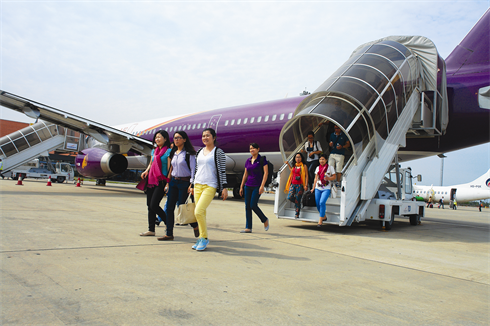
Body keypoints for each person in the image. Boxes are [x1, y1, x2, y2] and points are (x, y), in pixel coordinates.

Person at [190, 128, 228, 251]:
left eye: (207, 135)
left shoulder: (218, 152)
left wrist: (224, 187)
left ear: (214, 137)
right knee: (201, 213)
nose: (205, 138)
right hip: (197, 184)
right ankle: (201, 237)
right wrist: (192, 185)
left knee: (198, 211)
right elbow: (196, 169)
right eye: (203, 136)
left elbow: (222, 170)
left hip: (210, 185)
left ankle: (204, 238)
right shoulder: (200, 151)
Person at [158, 131, 199, 241]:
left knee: (182, 207)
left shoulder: (189, 154)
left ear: (184, 139)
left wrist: (192, 184)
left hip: (184, 183)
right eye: (175, 138)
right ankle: (169, 233)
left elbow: (193, 169)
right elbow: (172, 168)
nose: (176, 140)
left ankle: (195, 225)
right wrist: (168, 182)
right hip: (173, 182)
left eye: (179, 138)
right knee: (170, 208)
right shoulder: (173, 152)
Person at [139, 130, 171, 236]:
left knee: (154, 205)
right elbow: (151, 163)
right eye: (156, 137)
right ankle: (151, 230)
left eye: (159, 137)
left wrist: (167, 182)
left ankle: (168, 223)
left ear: (165, 139)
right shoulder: (154, 151)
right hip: (151, 180)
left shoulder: (168, 151)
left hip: (161, 180)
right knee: (149, 205)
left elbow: (170, 168)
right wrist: (146, 171)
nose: (157, 139)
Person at [239, 143, 270, 233]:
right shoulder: (248, 160)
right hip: (248, 186)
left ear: (258, 149)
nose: (252, 150)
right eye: (250, 149)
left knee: (253, 205)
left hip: (257, 186)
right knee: (247, 207)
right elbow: (245, 174)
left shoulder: (262, 160)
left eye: (253, 148)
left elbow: (266, 173)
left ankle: (264, 220)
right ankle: (248, 227)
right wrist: (241, 186)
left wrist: (262, 186)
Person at [310, 154, 336, 227]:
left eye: (323, 159)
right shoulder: (318, 168)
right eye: (320, 159)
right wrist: (313, 187)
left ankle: (320, 221)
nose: (321, 161)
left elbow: (334, 177)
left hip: (326, 188)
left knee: (322, 202)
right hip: (318, 187)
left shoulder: (330, 168)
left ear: (326, 160)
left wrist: (328, 178)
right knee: (317, 203)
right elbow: (315, 178)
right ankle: (323, 216)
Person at [284, 152, 308, 218]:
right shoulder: (294, 165)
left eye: (299, 157)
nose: (298, 159)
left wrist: (306, 185)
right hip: (293, 184)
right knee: (290, 197)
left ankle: (297, 213)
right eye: (296, 157)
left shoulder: (304, 166)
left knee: (298, 198)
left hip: (300, 185)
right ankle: (298, 203)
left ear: (301, 158)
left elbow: (306, 176)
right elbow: (291, 171)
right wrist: (288, 164)